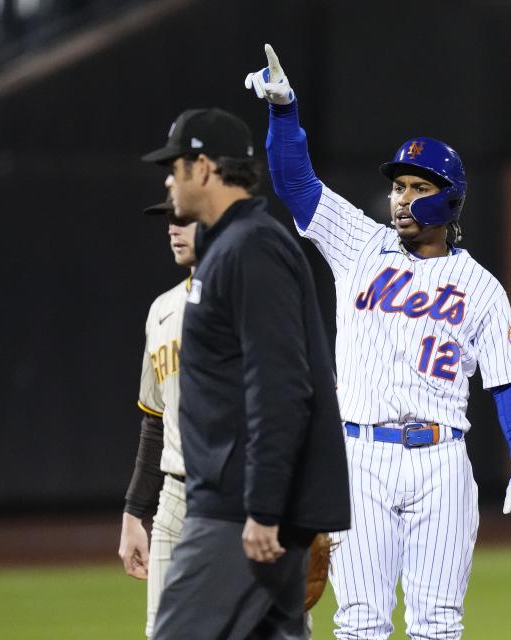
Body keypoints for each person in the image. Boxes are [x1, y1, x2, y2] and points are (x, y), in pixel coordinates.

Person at [245, 45, 511, 639]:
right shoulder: (360, 243)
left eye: (416, 186)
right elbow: (295, 184)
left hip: (441, 460)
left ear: (448, 198)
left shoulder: (480, 287)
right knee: (360, 624)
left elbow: (508, 376)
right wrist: (285, 111)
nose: (402, 197)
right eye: (398, 186)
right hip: (359, 457)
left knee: (438, 625)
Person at [143, 107, 351, 640]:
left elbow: (280, 387)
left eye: (176, 166)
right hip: (243, 504)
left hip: (237, 511)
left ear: (205, 167)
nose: (169, 179)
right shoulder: (234, 246)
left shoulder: (251, 247)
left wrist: (263, 507)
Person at [117, 176, 198, 637]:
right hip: (175, 499)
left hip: (243, 500)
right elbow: (155, 422)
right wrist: (134, 513)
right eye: (169, 218)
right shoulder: (162, 311)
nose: (173, 227)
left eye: (184, 217)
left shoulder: (254, 297)